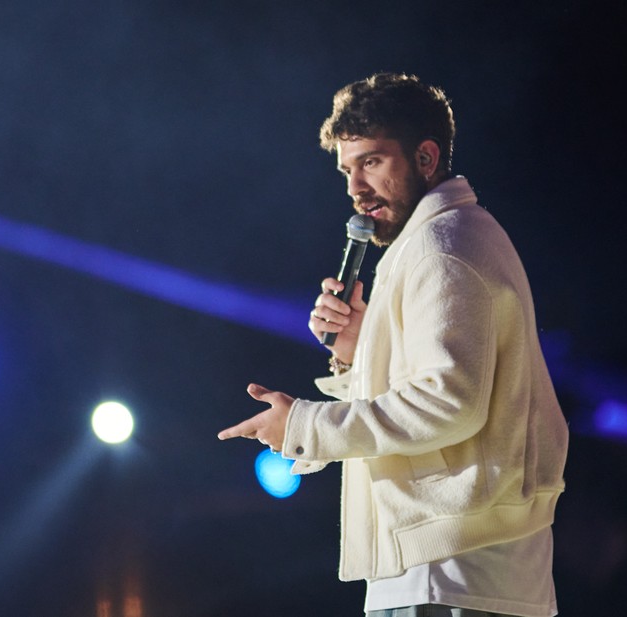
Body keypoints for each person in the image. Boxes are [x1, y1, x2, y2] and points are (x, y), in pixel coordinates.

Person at [217, 73, 569, 617]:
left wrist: (305, 426)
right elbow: (448, 389)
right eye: (347, 169)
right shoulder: (445, 237)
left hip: (449, 575)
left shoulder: (441, 246)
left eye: (373, 162)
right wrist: (361, 352)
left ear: (426, 158)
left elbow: (448, 402)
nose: (356, 188)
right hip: (455, 569)